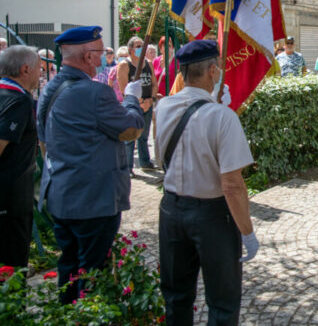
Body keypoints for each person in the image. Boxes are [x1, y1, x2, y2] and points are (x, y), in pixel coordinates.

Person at [155, 40, 259, 325]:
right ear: (213, 71)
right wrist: (247, 232)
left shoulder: (163, 106)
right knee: (222, 303)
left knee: (176, 297)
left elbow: (159, 160)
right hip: (213, 215)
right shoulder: (222, 116)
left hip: (172, 209)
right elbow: (232, 185)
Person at [37, 26, 144, 304]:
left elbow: (44, 139)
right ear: (87, 56)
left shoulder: (49, 88)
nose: (102, 57)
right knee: (93, 273)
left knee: (69, 266)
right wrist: (131, 97)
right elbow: (131, 129)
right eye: (98, 51)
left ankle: (67, 314)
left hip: (61, 195)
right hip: (94, 200)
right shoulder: (95, 93)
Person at [0, 46, 41, 268]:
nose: (41, 74)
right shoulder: (18, 100)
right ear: (25, 69)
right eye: (38, 68)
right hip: (11, 200)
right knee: (12, 268)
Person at [117, 36, 158, 170]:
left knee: (144, 136)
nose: (141, 48)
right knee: (130, 137)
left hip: (147, 104)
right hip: (132, 106)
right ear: (130, 49)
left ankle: (145, 162)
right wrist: (139, 102)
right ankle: (128, 166)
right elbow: (123, 88)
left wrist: (150, 100)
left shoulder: (148, 63)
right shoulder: (124, 65)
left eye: (143, 45)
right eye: (138, 46)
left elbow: (154, 84)